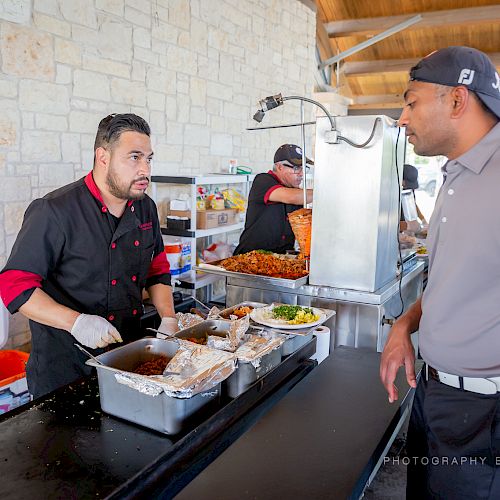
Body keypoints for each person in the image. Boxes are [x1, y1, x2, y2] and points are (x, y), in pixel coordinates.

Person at [379, 46, 500, 498]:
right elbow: (453, 278)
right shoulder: (455, 173)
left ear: (456, 100)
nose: (402, 119)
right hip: (434, 394)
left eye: (411, 101)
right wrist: (405, 325)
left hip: (484, 414)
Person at [0, 113, 179, 398]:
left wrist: (168, 317)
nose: (145, 169)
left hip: (127, 358)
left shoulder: (145, 207)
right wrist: (76, 322)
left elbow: (157, 266)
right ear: (103, 157)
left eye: (149, 158)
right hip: (66, 370)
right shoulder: (54, 211)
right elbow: (14, 285)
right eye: (135, 157)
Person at [234, 144, 313, 255]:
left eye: (303, 168)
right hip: (251, 257)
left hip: (281, 259)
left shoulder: (296, 192)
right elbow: (290, 197)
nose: (301, 173)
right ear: (280, 167)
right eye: (296, 168)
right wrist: (323, 193)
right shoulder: (263, 181)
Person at [399, 163, 428, 233]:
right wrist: (408, 226)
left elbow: (412, 205)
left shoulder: (409, 189)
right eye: (406, 183)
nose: (408, 187)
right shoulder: (392, 194)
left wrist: (423, 220)